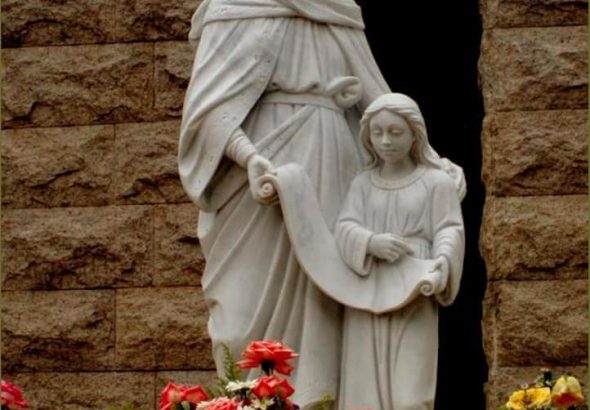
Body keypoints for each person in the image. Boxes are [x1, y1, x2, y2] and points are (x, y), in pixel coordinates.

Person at [178, 0, 465, 406]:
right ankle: (248, 399)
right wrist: (249, 157)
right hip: (257, 169)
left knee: (325, 297)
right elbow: (208, 111)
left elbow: (377, 95)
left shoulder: (335, 7)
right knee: (240, 309)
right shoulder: (233, 7)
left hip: (329, 160)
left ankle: (319, 401)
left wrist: (431, 161)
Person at [334, 93, 465, 410]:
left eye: (395, 132)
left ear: (414, 134)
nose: (385, 141)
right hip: (368, 287)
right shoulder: (363, 183)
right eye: (377, 132)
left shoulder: (436, 182)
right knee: (363, 385)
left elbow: (449, 228)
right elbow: (344, 227)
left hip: (414, 282)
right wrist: (370, 242)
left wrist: (442, 262)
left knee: (411, 392)